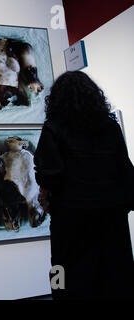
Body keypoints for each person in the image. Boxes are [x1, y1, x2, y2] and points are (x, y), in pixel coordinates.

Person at [34, 71, 134, 299]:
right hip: (111, 216)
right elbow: (125, 171)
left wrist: (46, 196)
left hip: (70, 219)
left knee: (62, 272)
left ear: (57, 99)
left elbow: (50, 175)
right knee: (116, 274)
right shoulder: (110, 128)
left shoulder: (54, 127)